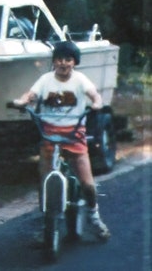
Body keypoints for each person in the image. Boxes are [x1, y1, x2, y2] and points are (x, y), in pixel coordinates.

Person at [11, 41, 111, 239]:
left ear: (74, 62)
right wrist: (22, 101)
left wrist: (97, 103)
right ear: (54, 61)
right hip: (49, 135)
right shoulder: (46, 79)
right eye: (59, 59)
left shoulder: (80, 80)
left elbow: (94, 95)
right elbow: (31, 94)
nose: (63, 63)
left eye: (68, 59)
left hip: (74, 135)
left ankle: (94, 216)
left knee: (87, 183)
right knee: (44, 180)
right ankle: (47, 222)